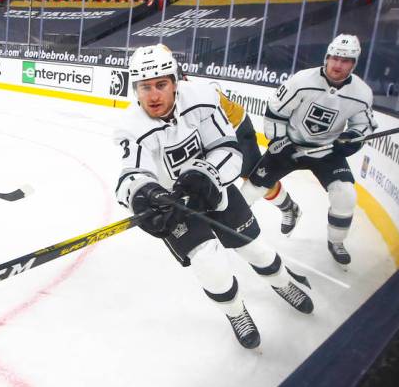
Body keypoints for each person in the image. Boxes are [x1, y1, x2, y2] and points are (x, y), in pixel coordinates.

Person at [115, 45, 313, 349]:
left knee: (255, 250)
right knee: (209, 264)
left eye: (160, 85)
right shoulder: (130, 126)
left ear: (175, 82)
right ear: (135, 88)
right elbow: (131, 174)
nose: (153, 95)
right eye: (144, 86)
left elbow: (227, 148)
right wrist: (145, 195)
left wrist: (206, 174)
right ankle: (236, 313)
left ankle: (283, 283)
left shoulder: (202, 98)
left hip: (214, 188)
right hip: (175, 205)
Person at [240, 35, 376, 269]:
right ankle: (234, 231)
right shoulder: (302, 81)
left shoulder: (361, 93)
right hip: (289, 145)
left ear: (354, 64)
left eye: (345, 60)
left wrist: (352, 140)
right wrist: (278, 140)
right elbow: (275, 111)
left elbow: (362, 126)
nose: (337, 64)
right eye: (334, 58)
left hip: (328, 152)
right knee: (250, 191)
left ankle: (336, 242)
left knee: (345, 195)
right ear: (326, 57)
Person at [158, 44, 301, 235]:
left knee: (254, 179)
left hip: (235, 131)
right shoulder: (169, 87)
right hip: (212, 135)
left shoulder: (190, 91)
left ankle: (288, 207)